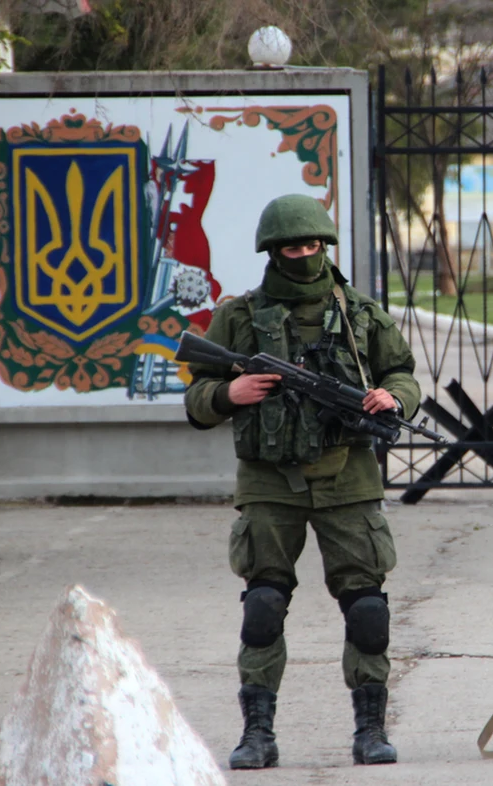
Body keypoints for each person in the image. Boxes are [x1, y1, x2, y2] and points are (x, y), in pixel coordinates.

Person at [183, 194, 420, 769]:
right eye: (294, 246)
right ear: (273, 250)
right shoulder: (239, 316)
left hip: (348, 478)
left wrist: (393, 397)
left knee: (367, 607)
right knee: (263, 604)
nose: (305, 253)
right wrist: (227, 393)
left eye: (314, 245)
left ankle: (370, 729)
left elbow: (402, 374)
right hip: (269, 482)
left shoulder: (362, 313)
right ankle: (257, 733)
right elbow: (197, 396)